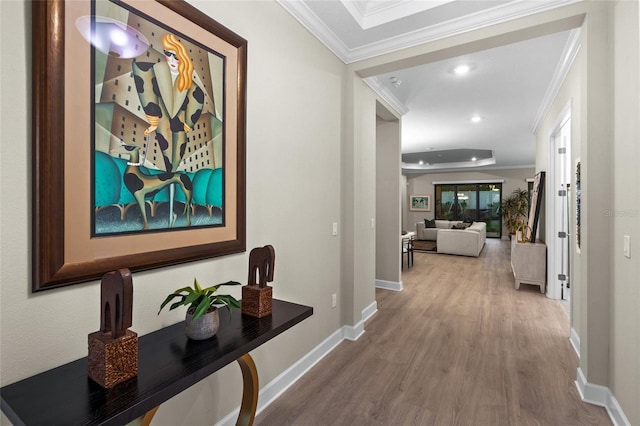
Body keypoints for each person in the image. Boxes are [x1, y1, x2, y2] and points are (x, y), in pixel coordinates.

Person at [131, 33, 205, 227]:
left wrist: (189, 122)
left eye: (175, 56)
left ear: (183, 59)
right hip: (163, 124)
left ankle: (173, 210)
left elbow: (198, 99)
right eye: (168, 54)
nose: (171, 60)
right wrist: (153, 119)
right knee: (168, 168)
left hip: (179, 127)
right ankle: (171, 211)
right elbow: (143, 82)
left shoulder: (189, 82)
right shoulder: (155, 71)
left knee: (174, 167)